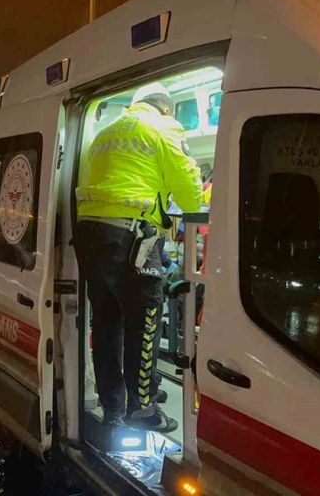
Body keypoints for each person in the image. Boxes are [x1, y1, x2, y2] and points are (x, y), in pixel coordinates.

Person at [74, 82, 203, 432]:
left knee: (105, 322)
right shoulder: (163, 127)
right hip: (132, 236)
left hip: (89, 233)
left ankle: (114, 403)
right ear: (167, 108)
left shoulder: (105, 133)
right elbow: (191, 196)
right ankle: (141, 409)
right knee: (144, 321)